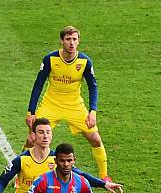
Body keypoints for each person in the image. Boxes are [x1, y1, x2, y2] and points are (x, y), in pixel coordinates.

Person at [25, 26, 110, 179]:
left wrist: (92, 111)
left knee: (95, 139)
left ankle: (104, 176)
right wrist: (31, 112)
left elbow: (93, 87)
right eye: (68, 39)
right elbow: (38, 85)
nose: (71, 43)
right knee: (32, 139)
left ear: (78, 41)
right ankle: (21, 177)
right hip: (51, 104)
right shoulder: (50, 59)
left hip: (74, 105)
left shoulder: (84, 61)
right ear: (62, 41)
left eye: (74, 39)